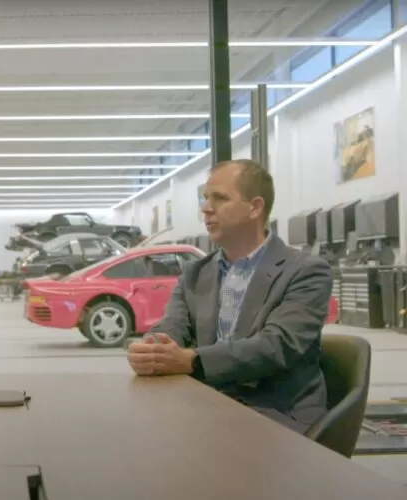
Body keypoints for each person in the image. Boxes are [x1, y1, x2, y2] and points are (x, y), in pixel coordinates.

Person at [127, 159, 332, 434]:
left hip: (275, 412)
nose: (206, 208)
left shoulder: (306, 272)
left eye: (220, 198)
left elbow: (276, 346)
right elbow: (172, 326)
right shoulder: (195, 273)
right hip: (207, 404)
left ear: (255, 208)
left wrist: (192, 360)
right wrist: (154, 349)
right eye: (205, 199)